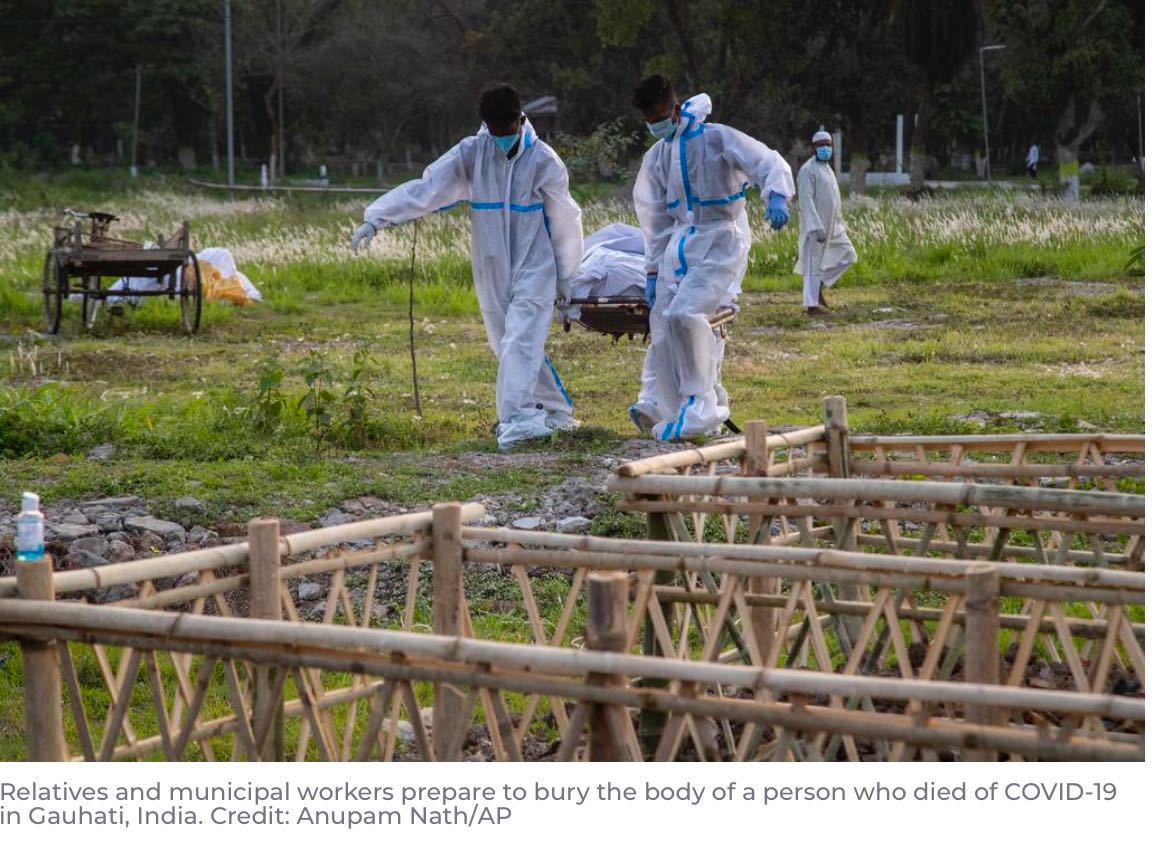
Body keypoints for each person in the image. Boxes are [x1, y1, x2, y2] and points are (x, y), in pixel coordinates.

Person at [351, 83, 583, 451]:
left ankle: (517, 418)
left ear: (521, 120)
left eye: (507, 130)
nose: (502, 139)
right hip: (491, 266)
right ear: (485, 125)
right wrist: (376, 218)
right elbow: (428, 188)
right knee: (508, 344)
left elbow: (565, 219)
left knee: (521, 339)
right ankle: (556, 411)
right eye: (495, 131)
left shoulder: (543, 161)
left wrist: (567, 273)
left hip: (535, 265)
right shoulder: (473, 153)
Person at [627, 74, 794, 442]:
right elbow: (655, 220)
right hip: (678, 248)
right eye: (649, 120)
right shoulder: (659, 155)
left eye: (659, 117)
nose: (655, 125)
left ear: (674, 108)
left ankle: (701, 406)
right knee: (663, 326)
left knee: (686, 316)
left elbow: (765, 160)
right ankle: (667, 407)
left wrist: (777, 194)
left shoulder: (717, 138)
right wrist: (653, 271)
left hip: (720, 243)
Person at [795, 130, 857, 317]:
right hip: (816, 228)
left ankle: (819, 284)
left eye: (828, 145)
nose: (825, 148)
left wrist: (839, 223)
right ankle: (812, 307)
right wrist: (815, 227)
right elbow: (806, 202)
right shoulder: (807, 170)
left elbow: (834, 199)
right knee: (813, 265)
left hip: (833, 227)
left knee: (849, 254)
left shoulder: (828, 169)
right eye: (821, 145)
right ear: (812, 148)